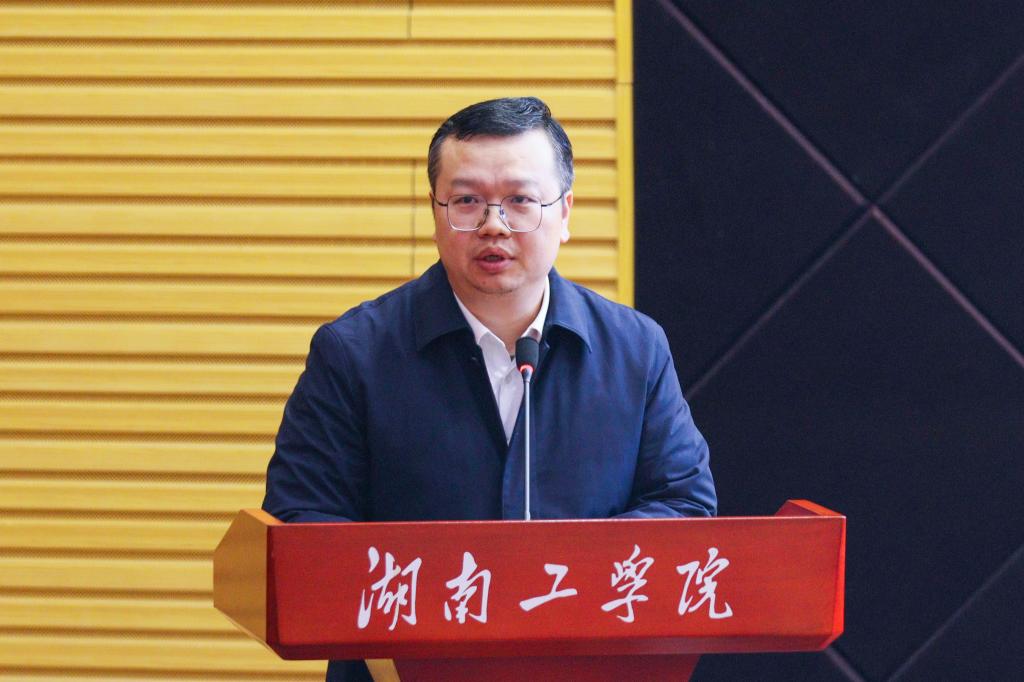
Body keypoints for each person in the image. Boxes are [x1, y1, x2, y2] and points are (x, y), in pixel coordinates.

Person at [262, 97, 716, 681]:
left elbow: (683, 506)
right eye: (467, 201)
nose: (493, 225)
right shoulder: (354, 353)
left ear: (565, 212)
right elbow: (302, 523)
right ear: (435, 213)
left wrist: (566, 578)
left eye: (521, 200)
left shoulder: (635, 350)